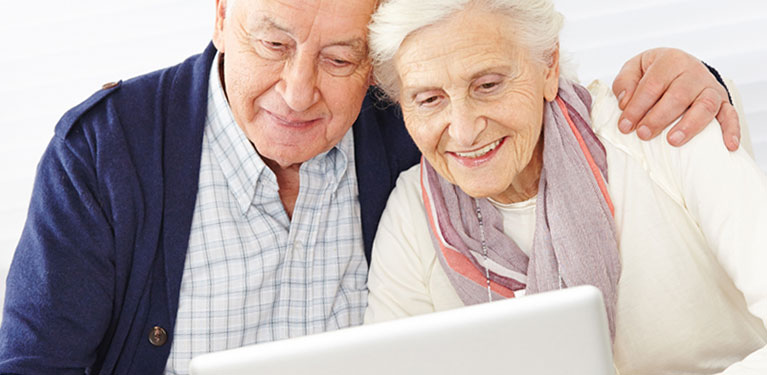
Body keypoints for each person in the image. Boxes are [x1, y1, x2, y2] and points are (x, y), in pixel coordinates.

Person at [0, 0, 744, 374]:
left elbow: (513, 90)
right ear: (222, 16)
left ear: (375, 68)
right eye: (274, 43)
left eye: (339, 58)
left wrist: (698, 81)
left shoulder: (406, 129)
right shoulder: (107, 149)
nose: (298, 93)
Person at [363, 0, 767, 374]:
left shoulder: (662, 128)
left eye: (488, 85)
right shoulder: (413, 212)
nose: (465, 131)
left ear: (549, 66)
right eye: (429, 99)